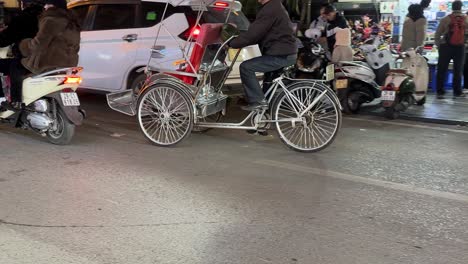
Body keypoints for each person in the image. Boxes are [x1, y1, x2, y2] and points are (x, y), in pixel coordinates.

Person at [7, 0, 80, 106]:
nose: (45, 7)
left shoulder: (51, 20)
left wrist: (22, 44)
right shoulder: (72, 22)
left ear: (53, 6)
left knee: (15, 66)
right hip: (68, 65)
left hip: (49, 64)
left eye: (47, 4)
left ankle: (16, 101)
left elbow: (37, 45)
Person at [229, 0, 297, 111]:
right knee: (267, 86)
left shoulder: (270, 9)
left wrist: (232, 43)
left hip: (280, 55)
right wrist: (240, 39)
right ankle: (263, 119)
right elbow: (258, 33)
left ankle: (258, 102)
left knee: (246, 67)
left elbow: (254, 34)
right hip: (283, 52)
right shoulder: (274, 6)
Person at [0, 0, 43, 100]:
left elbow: (5, 39)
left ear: (23, 4)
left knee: (12, 65)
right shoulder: (46, 18)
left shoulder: (22, 19)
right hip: (52, 60)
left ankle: (5, 100)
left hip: (30, 61)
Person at [434, 0, 468, 99]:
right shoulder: (466, 19)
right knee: (458, 70)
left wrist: (439, 46)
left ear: (452, 7)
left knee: (442, 69)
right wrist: (465, 44)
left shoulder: (445, 19)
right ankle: (457, 92)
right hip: (460, 48)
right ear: (461, 7)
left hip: (446, 47)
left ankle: (440, 91)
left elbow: (437, 34)